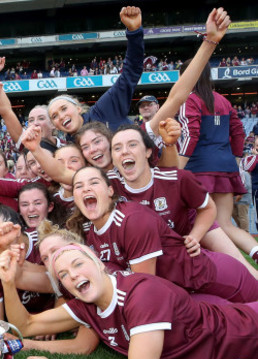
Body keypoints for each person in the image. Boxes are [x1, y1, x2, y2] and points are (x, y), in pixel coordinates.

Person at [0, 243, 258, 359]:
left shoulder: (142, 295)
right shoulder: (87, 304)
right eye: (63, 275)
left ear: (98, 264)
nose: (72, 275)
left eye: (78, 264)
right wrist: (8, 282)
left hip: (247, 336)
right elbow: (25, 326)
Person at [68, 166, 258, 303]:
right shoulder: (92, 232)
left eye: (93, 182)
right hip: (187, 291)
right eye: (78, 186)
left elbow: (145, 288)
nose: (85, 188)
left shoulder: (132, 219)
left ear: (110, 190)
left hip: (215, 277)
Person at [178, 62, 258, 263]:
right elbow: (238, 131)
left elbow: (191, 134)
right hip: (225, 167)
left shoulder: (189, 100)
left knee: (201, 226)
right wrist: (235, 161)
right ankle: (254, 252)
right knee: (225, 225)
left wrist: (176, 167)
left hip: (198, 169)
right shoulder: (223, 100)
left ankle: (233, 271)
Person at [47, 6, 144, 138]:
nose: (61, 116)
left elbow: (131, 71)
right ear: (55, 125)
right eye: (54, 116)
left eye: (64, 108)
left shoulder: (105, 108)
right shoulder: (69, 153)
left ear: (78, 108)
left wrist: (134, 32)